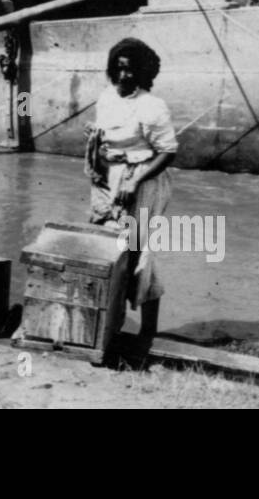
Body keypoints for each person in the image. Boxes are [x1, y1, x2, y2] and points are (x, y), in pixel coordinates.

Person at [84, 37, 178, 340]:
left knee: (139, 253)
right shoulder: (106, 97)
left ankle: (147, 334)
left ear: (143, 73)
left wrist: (135, 180)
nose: (125, 76)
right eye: (120, 69)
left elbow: (168, 152)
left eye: (132, 70)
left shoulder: (152, 106)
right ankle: (110, 323)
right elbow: (105, 137)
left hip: (144, 181)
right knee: (108, 246)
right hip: (110, 178)